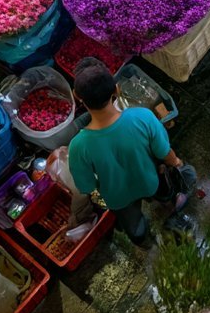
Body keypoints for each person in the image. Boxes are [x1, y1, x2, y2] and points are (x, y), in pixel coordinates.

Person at [68, 59, 196, 248]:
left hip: (118, 198)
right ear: (117, 90)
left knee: (133, 223)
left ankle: (142, 239)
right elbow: (164, 152)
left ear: (77, 96)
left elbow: (85, 186)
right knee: (166, 187)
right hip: (149, 181)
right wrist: (177, 163)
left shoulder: (78, 146)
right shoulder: (142, 117)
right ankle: (166, 202)